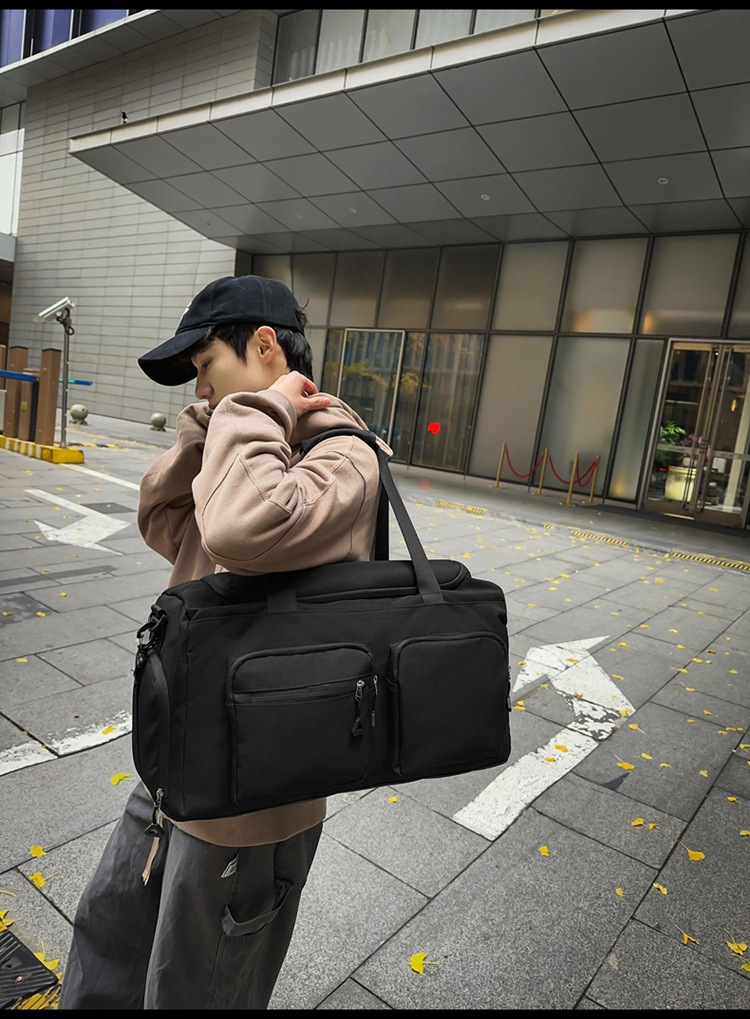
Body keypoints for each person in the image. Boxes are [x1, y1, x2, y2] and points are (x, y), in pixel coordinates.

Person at [59, 274, 385, 1010]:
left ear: (265, 345)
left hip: (252, 802)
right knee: (108, 938)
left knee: (193, 988)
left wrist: (253, 412)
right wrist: (204, 437)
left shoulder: (341, 455)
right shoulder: (244, 444)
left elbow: (240, 530)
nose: (202, 390)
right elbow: (165, 523)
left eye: (206, 366)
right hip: (178, 759)